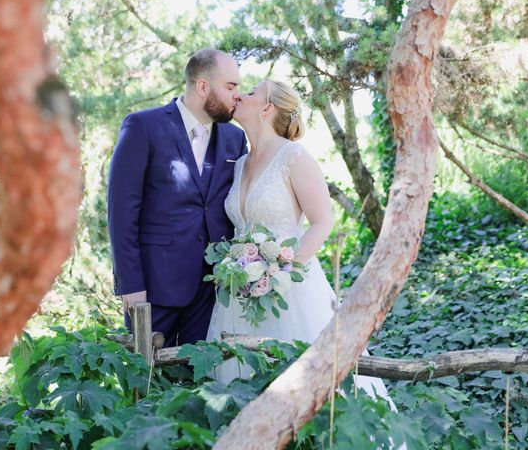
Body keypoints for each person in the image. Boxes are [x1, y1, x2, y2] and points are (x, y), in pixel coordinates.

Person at [206, 79, 398, 407]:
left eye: (251, 92)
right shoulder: (240, 164)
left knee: (305, 384)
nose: (240, 95)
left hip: (289, 290)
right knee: (240, 384)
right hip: (239, 294)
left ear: (267, 108)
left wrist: (281, 270)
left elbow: (322, 222)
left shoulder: (294, 157)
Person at [108, 49, 247, 346]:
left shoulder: (235, 139)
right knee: (146, 380)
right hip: (154, 287)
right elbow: (121, 214)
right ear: (202, 86)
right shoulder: (143, 127)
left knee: (198, 381)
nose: (238, 95)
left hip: (213, 290)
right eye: (231, 87)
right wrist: (130, 286)